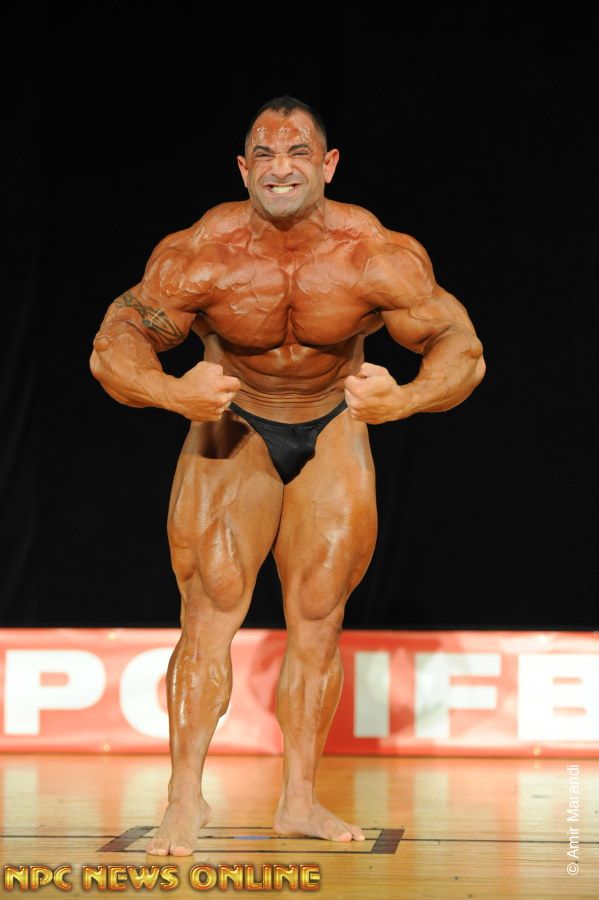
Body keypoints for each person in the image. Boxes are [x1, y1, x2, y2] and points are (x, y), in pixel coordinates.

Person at [89, 95, 485, 857]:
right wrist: (171, 393)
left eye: (297, 152)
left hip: (331, 425)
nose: (281, 168)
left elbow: (459, 347)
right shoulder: (201, 252)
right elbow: (116, 340)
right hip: (231, 424)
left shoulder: (373, 254)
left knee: (317, 616)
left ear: (327, 165)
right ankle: (183, 801)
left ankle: (299, 800)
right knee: (209, 611)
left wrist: (403, 400)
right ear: (243, 168)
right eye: (265, 155)